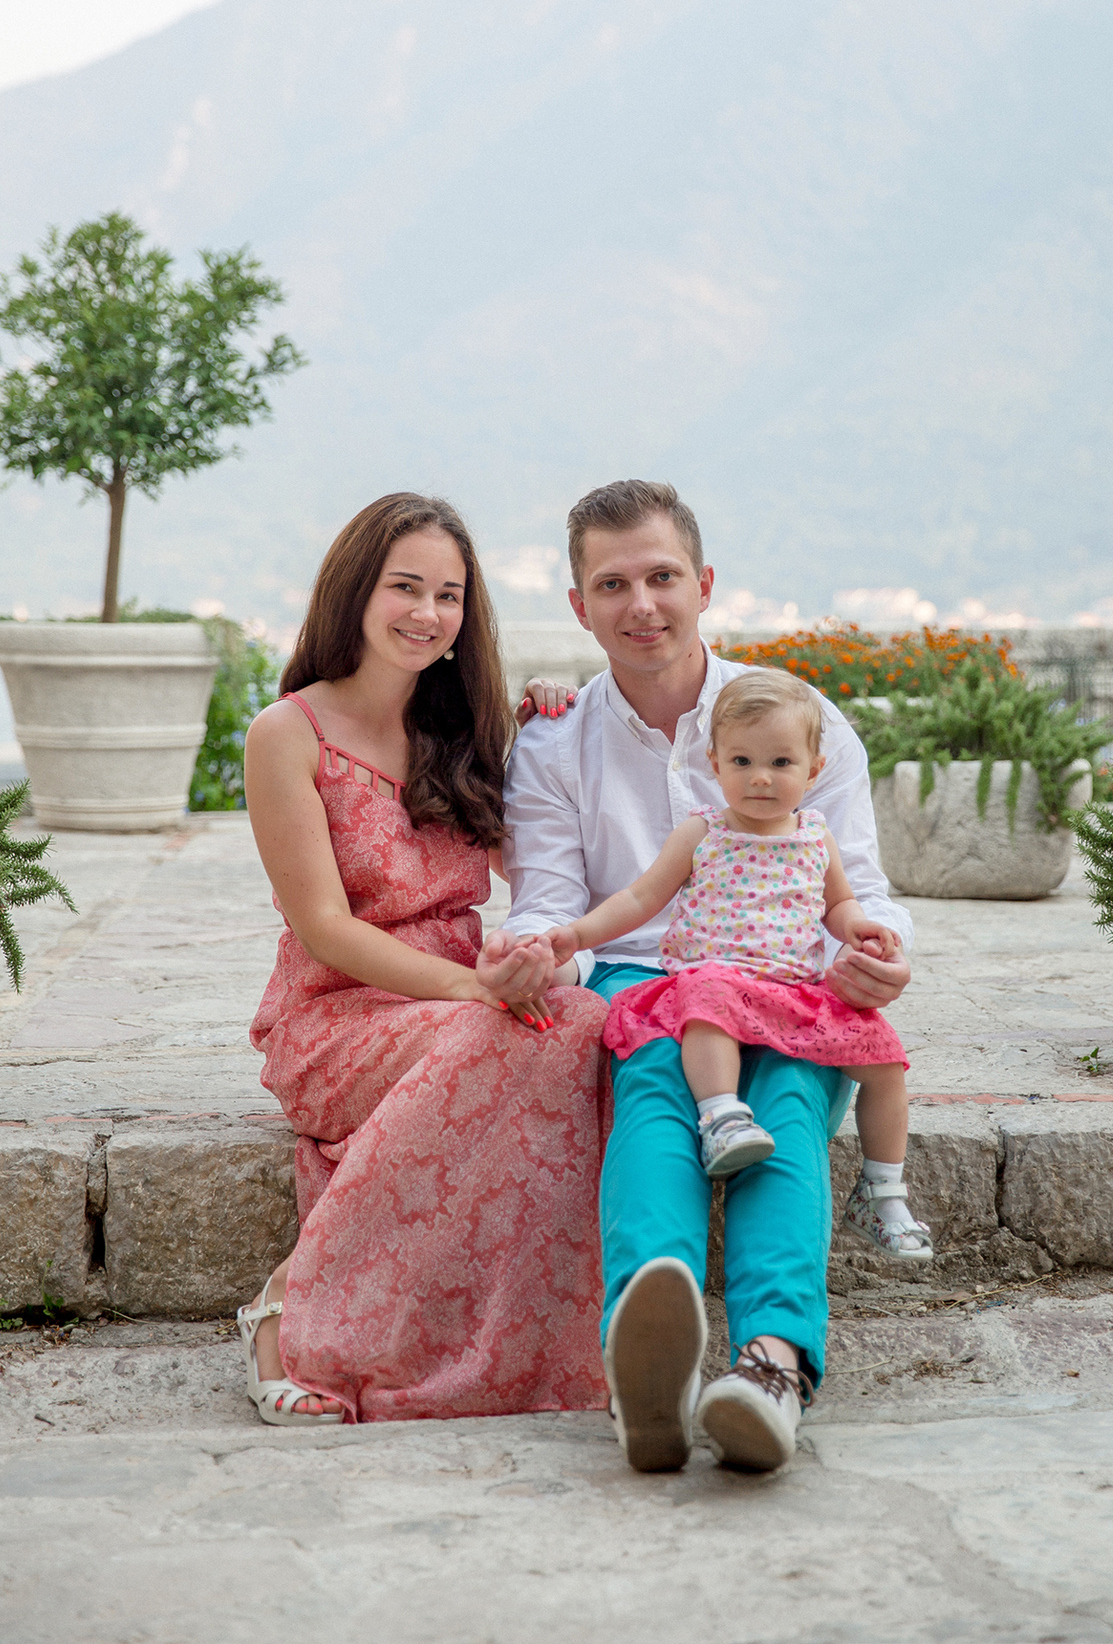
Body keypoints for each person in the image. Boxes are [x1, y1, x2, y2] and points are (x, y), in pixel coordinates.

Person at [502, 478, 916, 1474]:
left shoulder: (800, 726)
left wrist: (872, 957)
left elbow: (858, 885)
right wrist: (532, 952)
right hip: (640, 977)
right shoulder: (554, 744)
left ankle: (769, 1367)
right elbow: (550, 903)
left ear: (703, 584)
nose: (640, 604)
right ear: (579, 606)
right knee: (652, 1091)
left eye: (660, 577)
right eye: (612, 584)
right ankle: (649, 1354)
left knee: (786, 1096)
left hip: (787, 973)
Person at [238, 491, 609, 1426]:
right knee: (513, 1036)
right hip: (338, 1013)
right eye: (405, 587)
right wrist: (471, 986)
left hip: (456, 1005)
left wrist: (559, 727)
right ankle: (284, 1305)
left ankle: (519, 1339)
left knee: (587, 1021)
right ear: (356, 591)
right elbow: (323, 924)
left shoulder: (469, 731)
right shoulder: (288, 734)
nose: (426, 613)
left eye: (448, 596)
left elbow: (549, 865)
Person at [534, 668, 928, 1261]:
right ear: (715, 764)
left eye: (781, 763)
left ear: (813, 770)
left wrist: (861, 932)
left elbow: (840, 903)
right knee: (708, 1005)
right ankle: (721, 1115)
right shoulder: (703, 832)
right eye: (741, 762)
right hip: (715, 978)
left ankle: (881, 1188)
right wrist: (575, 933)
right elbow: (641, 898)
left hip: (792, 989)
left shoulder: (815, 835)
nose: (760, 778)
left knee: (883, 1055)